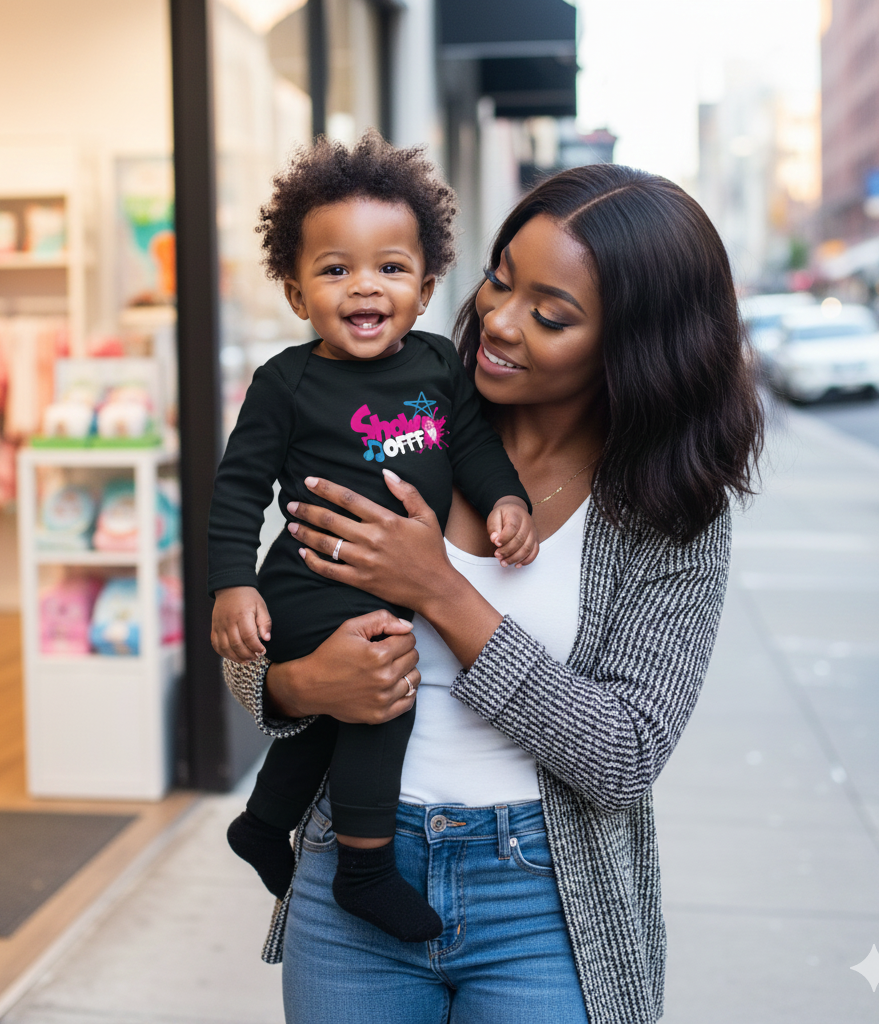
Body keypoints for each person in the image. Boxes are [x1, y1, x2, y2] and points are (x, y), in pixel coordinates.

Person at [225, 163, 763, 1024]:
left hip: (548, 903)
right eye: (499, 281)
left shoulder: (672, 511)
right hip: (355, 869)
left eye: (550, 315)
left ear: (635, 342)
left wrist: (441, 591)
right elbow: (280, 600)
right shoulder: (405, 411)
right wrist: (293, 685)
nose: (499, 324)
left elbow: (624, 755)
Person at [208, 131, 537, 944]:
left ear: (426, 289)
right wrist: (231, 583)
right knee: (382, 692)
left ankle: (263, 822)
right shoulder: (285, 383)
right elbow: (238, 487)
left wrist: (507, 502)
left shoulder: (435, 365)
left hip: (387, 577)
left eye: (390, 268)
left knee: (332, 710)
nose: (365, 287)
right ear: (295, 292)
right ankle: (363, 869)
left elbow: (472, 447)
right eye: (335, 269)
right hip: (313, 580)